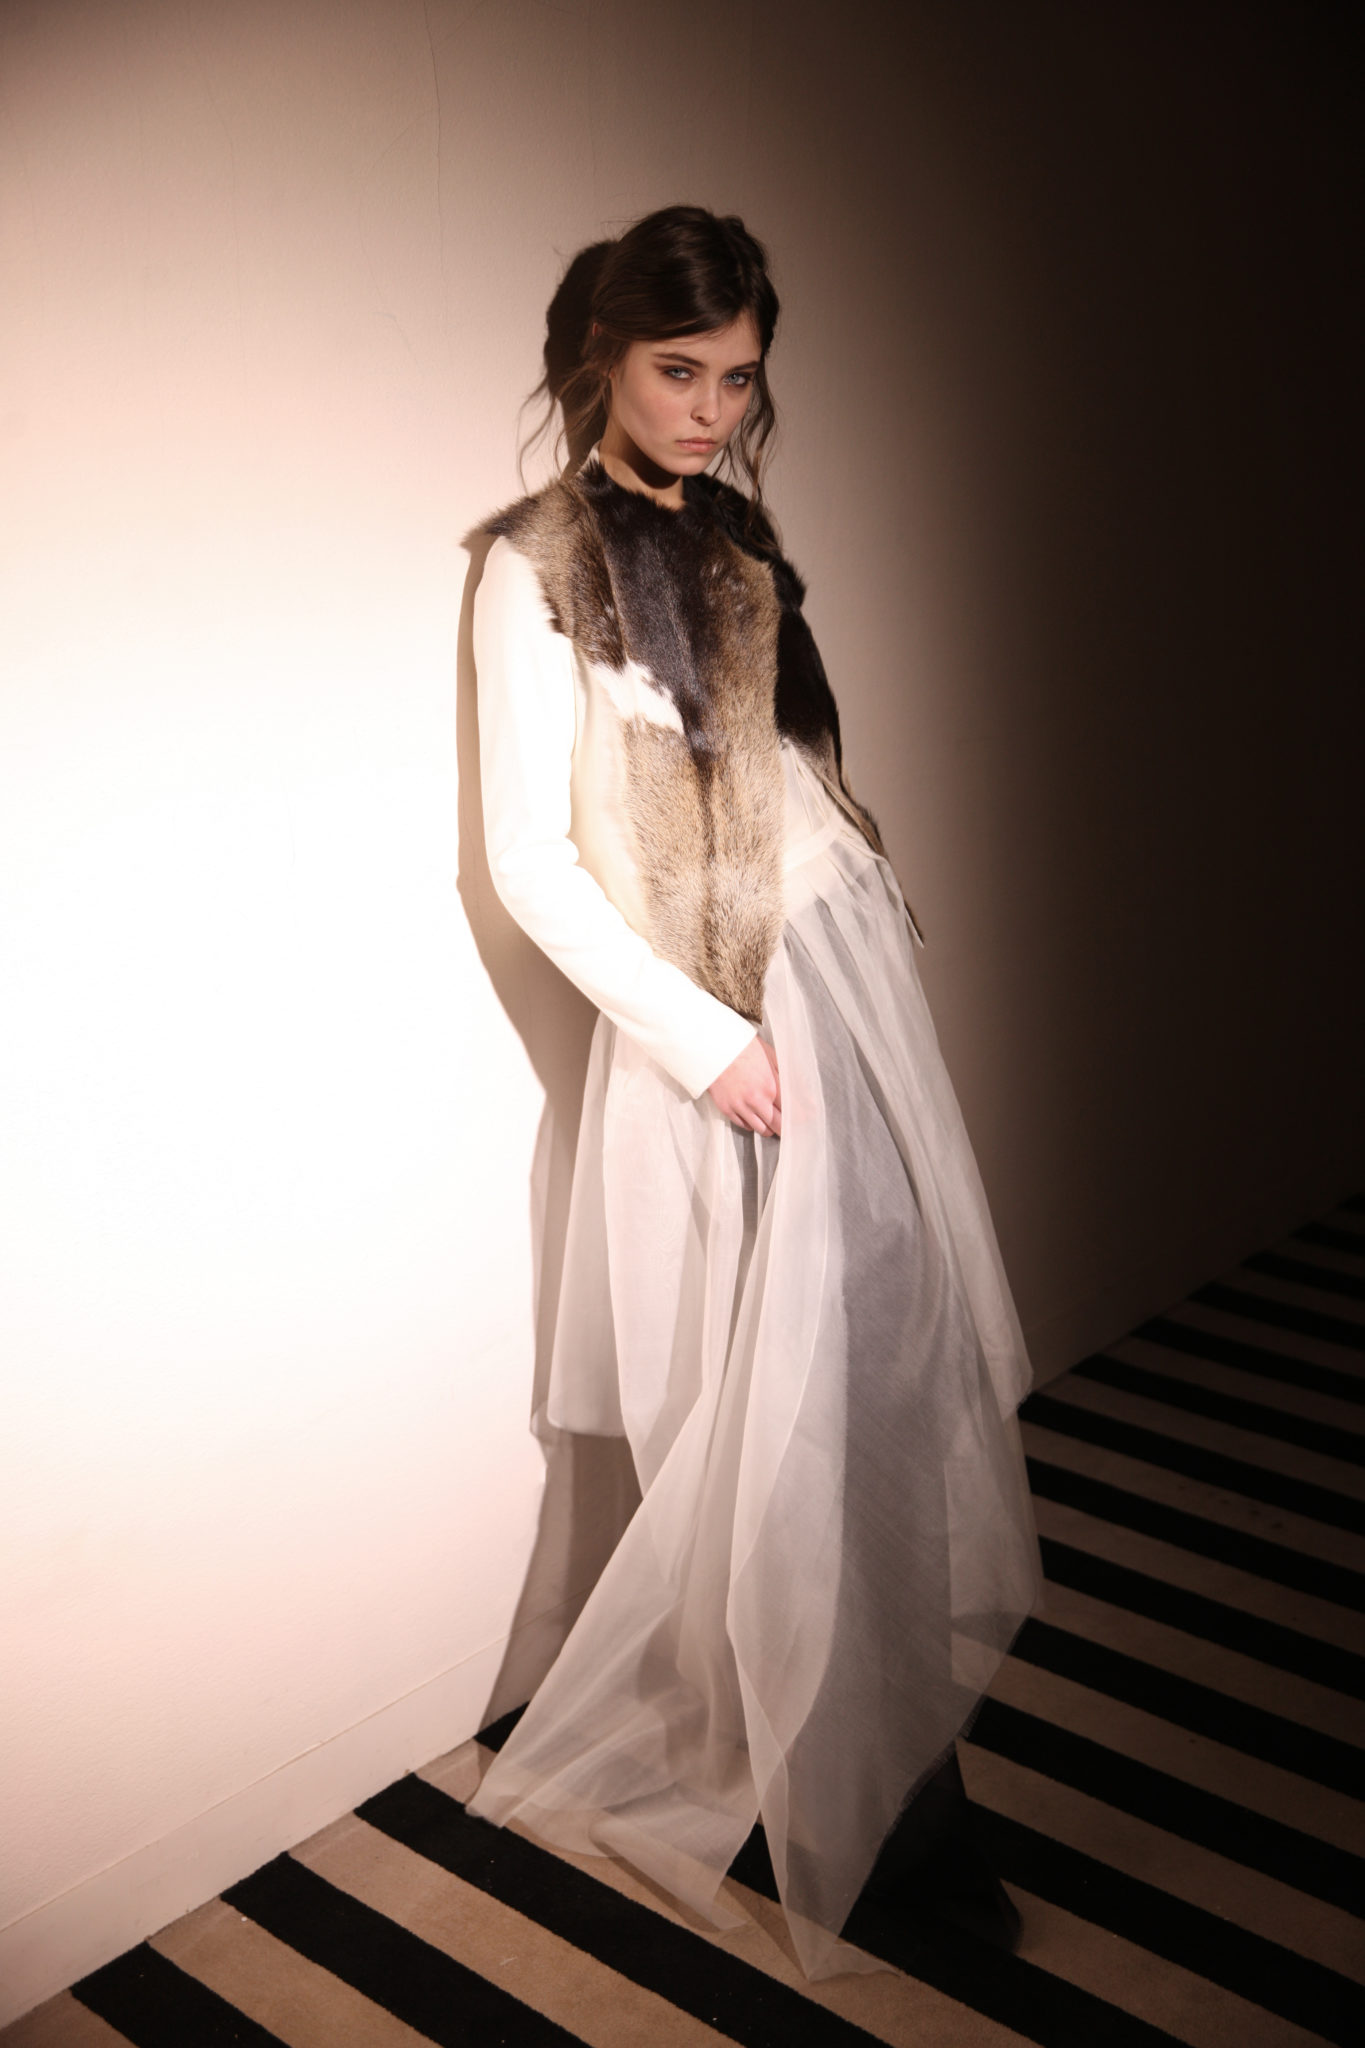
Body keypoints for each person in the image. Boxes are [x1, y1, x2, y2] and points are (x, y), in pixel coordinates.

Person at [466, 204, 1041, 1979]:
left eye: (736, 378)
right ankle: (860, 1808)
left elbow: (793, 779)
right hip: (716, 1024)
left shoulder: (733, 532)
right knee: (773, 1416)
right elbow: (529, 859)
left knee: (874, 1387)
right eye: (679, 372)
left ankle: (885, 1776)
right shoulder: (533, 564)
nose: (712, 410)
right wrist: (706, 1042)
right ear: (600, 360)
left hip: (834, 990)